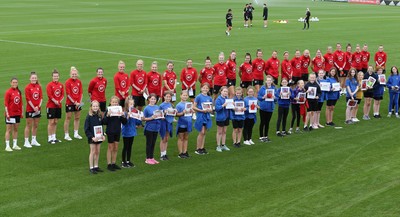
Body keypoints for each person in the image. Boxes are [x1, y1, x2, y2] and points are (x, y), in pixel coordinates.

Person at [103, 96, 126, 171]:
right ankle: (109, 164)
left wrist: (123, 116)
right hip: (110, 131)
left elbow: (125, 122)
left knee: (116, 147)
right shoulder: (108, 110)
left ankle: (113, 163)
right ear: (110, 103)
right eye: (113, 102)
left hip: (117, 131)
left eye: (116, 102)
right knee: (110, 147)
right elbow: (104, 122)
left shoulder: (119, 110)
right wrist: (108, 116)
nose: (114, 103)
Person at [84, 100, 105, 174]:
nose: (95, 107)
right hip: (92, 137)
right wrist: (91, 137)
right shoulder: (89, 117)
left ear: (98, 107)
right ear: (91, 107)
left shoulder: (99, 115)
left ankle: (96, 166)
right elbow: (86, 129)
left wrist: (103, 135)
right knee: (92, 151)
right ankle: (91, 167)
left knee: (97, 151)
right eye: (94, 106)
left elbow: (101, 126)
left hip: (98, 137)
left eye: (97, 106)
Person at [121, 96, 141, 168]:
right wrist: (128, 116)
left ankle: (128, 160)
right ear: (127, 104)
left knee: (130, 147)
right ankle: (123, 161)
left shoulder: (134, 111)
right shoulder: (124, 113)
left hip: (132, 131)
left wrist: (139, 117)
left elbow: (138, 123)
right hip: (126, 132)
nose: (132, 106)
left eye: (132, 104)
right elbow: (125, 123)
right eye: (130, 104)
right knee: (125, 147)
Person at [64, 66, 83, 141]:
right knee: (68, 118)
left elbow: (81, 93)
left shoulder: (79, 82)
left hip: (78, 103)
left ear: (77, 74)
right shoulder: (67, 82)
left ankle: (76, 133)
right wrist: (75, 102)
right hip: (70, 102)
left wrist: (79, 102)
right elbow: (68, 94)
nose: (74, 75)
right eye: (73, 74)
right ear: (70, 74)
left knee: (77, 118)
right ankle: (66, 134)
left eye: (75, 74)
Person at [193, 83, 213, 155]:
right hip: (201, 116)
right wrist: (201, 110)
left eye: (206, 88)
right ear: (201, 89)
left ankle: (202, 147)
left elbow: (211, 108)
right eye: (204, 88)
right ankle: (198, 148)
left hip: (207, 116)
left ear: (208, 89)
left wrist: (210, 110)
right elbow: (194, 107)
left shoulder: (209, 98)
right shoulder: (198, 97)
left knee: (204, 132)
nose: (205, 89)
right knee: (201, 132)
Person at [24, 72, 43, 148]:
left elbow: (41, 97)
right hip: (30, 109)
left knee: (35, 125)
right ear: (30, 78)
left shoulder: (39, 86)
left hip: (37, 109)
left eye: (35, 78)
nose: (34, 79)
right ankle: (26, 141)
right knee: (28, 125)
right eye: (33, 78)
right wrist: (33, 107)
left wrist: (38, 107)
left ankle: (33, 140)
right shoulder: (27, 87)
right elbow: (28, 99)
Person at [4, 78, 23, 152]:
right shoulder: (8, 92)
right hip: (10, 114)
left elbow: (21, 103)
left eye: (16, 82)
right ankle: (7, 146)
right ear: (10, 83)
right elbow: (6, 104)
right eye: (13, 82)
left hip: (17, 113)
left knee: (16, 129)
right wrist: (7, 114)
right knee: (8, 130)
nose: (14, 84)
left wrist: (21, 113)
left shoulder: (18, 92)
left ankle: (15, 145)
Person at [142, 94, 161, 164]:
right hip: (149, 128)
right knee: (149, 143)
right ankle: (147, 158)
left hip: (156, 128)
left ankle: (152, 157)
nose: (153, 100)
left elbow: (159, 115)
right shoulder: (146, 108)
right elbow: (143, 119)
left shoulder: (157, 107)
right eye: (152, 99)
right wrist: (151, 118)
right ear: (149, 99)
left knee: (153, 143)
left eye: (154, 99)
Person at [46, 69, 64, 144]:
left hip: (58, 106)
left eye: (57, 76)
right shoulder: (49, 85)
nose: (56, 77)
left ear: (58, 76)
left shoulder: (61, 85)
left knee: (56, 121)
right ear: (52, 77)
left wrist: (59, 101)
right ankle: (49, 138)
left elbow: (62, 95)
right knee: (51, 122)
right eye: (54, 76)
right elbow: (49, 95)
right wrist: (55, 101)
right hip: (51, 106)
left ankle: (54, 137)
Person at [175, 90, 193, 158]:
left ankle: (185, 152)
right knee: (181, 138)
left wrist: (192, 111)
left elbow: (190, 113)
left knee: (186, 138)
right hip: (181, 123)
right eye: (183, 95)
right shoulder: (178, 105)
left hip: (188, 123)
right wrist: (183, 112)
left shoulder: (189, 104)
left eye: (186, 95)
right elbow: (176, 114)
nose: (185, 96)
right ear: (180, 96)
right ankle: (180, 153)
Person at [257, 75, 275, 142]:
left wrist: (274, 97)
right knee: (262, 122)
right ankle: (261, 136)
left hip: (270, 108)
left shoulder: (273, 88)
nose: (269, 81)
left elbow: (276, 98)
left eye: (270, 80)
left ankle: (266, 136)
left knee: (267, 122)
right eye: (268, 80)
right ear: (266, 81)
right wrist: (263, 97)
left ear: (272, 81)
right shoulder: (262, 88)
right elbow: (258, 97)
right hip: (263, 108)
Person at [159, 91, 175, 161]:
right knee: (163, 138)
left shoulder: (171, 105)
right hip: (163, 123)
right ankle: (162, 154)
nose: (168, 98)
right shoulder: (161, 105)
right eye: (167, 97)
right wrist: (164, 113)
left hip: (169, 122)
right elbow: (159, 115)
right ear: (164, 97)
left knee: (167, 138)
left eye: (169, 97)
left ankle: (165, 153)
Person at [215, 86, 230, 152]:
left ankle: (223, 145)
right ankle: (218, 146)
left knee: (224, 131)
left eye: (226, 91)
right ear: (221, 91)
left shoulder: (227, 98)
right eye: (224, 91)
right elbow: (217, 109)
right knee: (219, 132)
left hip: (226, 117)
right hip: (220, 118)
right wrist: (223, 105)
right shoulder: (218, 99)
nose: (225, 93)